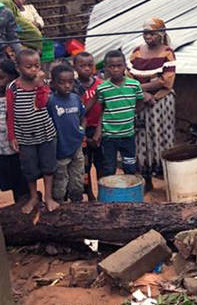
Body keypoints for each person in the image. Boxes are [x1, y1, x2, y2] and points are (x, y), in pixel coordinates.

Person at [6, 49, 56, 212]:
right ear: (19, 68)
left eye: (37, 66)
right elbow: (10, 113)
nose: (34, 70)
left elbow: (41, 104)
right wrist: (12, 136)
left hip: (45, 133)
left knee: (48, 167)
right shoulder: (13, 87)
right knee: (30, 169)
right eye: (29, 67)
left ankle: (48, 196)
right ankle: (34, 196)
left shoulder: (42, 85)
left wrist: (40, 85)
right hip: (24, 136)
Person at [129, 18, 176, 188]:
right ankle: (147, 179)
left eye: (151, 33)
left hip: (160, 103)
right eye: (145, 33)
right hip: (141, 103)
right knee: (142, 138)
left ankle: (167, 178)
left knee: (161, 137)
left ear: (161, 34)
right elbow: (129, 77)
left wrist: (141, 88)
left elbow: (165, 81)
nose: (147, 36)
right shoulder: (136, 52)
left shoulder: (167, 53)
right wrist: (142, 92)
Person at [93, 50, 144, 179]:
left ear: (125, 66)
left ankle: (129, 197)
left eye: (119, 66)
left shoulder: (134, 85)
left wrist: (130, 115)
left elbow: (140, 103)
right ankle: (109, 197)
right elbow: (102, 110)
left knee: (130, 167)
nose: (115, 69)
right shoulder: (102, 88)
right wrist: (99, 131)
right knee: (109, 168)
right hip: (109, 136)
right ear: (106, 68)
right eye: (111, 66)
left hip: (128, 135)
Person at [0, 59, 26, 203]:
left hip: (19, 146)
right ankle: (19, 207)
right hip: (1, 148)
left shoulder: (19, 94)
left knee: (24, 182)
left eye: (1, 78)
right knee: (12, 182)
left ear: (12, 77)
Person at [47, 63, 85, 203]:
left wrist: (82, 131)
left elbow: (82, 117)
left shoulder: (75, 98)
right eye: (62, 82)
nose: (67, 86)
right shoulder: (51, 101)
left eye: (70, 82)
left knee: (77, 176)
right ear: (54, 84)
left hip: (76, 145)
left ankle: (77, 200)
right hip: (59, 148)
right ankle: (59, 203)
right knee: (60, 178)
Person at [73, 52, 102, 200]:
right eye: (82, 65)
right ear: (75, 67)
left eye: (90, 65)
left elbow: (105, 108)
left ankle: (103, 194)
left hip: (99, 129)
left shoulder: (100, 83)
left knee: (101, 164)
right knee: (85, 166)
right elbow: (79, 112)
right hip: (82, 131)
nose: (86, 68)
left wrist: (99, 131)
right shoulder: (72, 87)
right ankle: (89, 194)